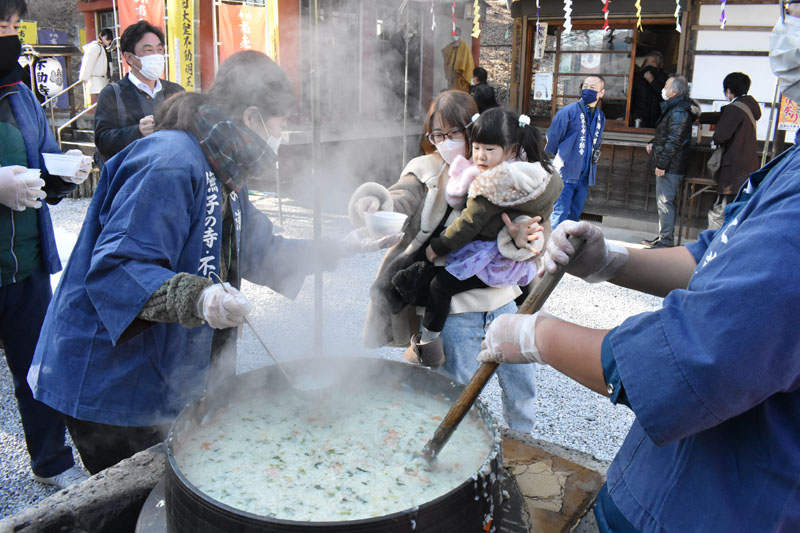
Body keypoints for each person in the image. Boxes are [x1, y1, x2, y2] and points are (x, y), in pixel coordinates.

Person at [475, 15, 800, 528]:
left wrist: (539, 336)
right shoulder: (793, 165)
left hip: (723, 509)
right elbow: (716, 255)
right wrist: (611, 261)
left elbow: (696, 359)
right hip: (656, 484)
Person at [27, 51, 399, 475]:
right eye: (280, 125)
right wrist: (201, 298)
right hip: (112, 377)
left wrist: (340, 246)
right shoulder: (168, 161)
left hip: (158, 372)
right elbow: (119, 268)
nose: (280, 137)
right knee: (139, 506)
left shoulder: (222, 167)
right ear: (252, 115)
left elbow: (263, 251)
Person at [348, 90, 544, 433]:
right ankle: (447, 462)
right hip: (455, 312)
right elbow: (402, 195)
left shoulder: (503, 168)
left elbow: (532, 217)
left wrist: (531, 238)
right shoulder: (427, 169)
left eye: (455, 133)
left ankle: (522, 450)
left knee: (522, 386)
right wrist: (375, 204)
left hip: (503, 301)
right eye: (438, 134)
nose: (447, 141)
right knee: (452, 395)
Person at [0, 0, 93, 489]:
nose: (11, 36)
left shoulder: (20, 94)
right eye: (2, 25)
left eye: (15, 26)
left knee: (35, 366)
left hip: (28, 263)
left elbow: (45, 157)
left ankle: (51, 460)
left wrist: (62, 173)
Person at [399, 108, 561, 364]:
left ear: (510, 148)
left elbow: (469, 223)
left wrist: (438, 246)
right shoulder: (530, 173)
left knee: (438, 287)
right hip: (506, 263)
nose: (481, 156)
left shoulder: (491, 183)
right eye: (476, 148)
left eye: (489, 149)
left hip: (488, 259)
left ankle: (428, 345)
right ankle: (534, 320)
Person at [93, 20, 183, 164]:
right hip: (132, 179)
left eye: (159, 50)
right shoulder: (113, 94)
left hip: (171, 174)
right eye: (148, 50)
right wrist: (138, 131)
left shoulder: (176, 91)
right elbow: (102, 140)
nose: (156, 56)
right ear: (129, 57)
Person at [641, 75, 700, 248]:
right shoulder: (676, 108)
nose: (664, 88)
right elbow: (667, 135)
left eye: (666, 86)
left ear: (674, 92)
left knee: (665, 202)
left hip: (671, 166)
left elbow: (674, 140)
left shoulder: (679, 111)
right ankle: (662, 237)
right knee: (663, 202)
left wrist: (662, 164)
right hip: (670, 163)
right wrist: (654, 143)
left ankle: (666, 240)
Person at [698, 72, 761, 229]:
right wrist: (701, 116)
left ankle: (714, 246)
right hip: (748, 167)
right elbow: (723, 116)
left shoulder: (734, 109)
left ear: (728, 90)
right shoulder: (748, 106)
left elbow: (721, 136)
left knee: (721, 211)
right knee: (738, 210)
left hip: (732, 168)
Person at [545, 75, 606, 229]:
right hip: (566, 170)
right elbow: (553, 137)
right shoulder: (568, 111)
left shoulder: (600, 116)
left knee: (575, 213)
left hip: (585, 173)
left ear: (601, 93)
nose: (587, 90)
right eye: (585, 86)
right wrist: (562, 154)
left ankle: (569, 244)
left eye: (592, 88)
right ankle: (552, 246)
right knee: (560, 211)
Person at [630, 51, 668, 128]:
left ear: (660, 65)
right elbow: (632, 97)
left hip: (657, 118)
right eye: (647, 62)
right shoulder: (638, 77)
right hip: (638, 117)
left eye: (653, 62)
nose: (649, 65)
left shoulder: (665, 78)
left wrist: (652, 81)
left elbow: (664, 97)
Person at [78, 28, 113, 104]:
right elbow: (88, 62)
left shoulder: (102, 48)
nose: (108, 41)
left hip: (102, 78)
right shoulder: (95, 47)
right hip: (96, 78)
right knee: (102, 101)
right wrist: (84, 78)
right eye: (107, 38)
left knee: (103, 101)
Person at [441, 27, 474, 93]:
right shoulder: (451, 46)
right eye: (453, 34)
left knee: (460, 95)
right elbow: (444, 52)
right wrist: (452, 47)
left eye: (456, 35)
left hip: (460, 78)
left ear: (459, 35)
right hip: (452, 77)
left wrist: (458, 70)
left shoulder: (464, 45)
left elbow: (465, 62)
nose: (454, 36)